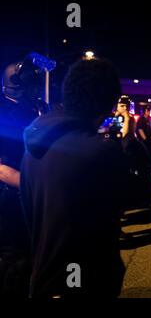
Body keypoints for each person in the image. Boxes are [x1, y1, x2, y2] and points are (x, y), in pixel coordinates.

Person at [20, 59, 128, 297]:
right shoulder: (100, 151)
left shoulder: (33, 149)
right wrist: (129, 138)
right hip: (87, 283)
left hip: (44, 279)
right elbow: (141, 188)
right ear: (108, 102)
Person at [0, 57, 49, 297]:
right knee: (16, 264)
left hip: (36, 196)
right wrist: (33, 186)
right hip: (12, 199)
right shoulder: (4, 112)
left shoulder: (38, 108)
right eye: (32, 80)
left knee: (38, 260)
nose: (37, 85)